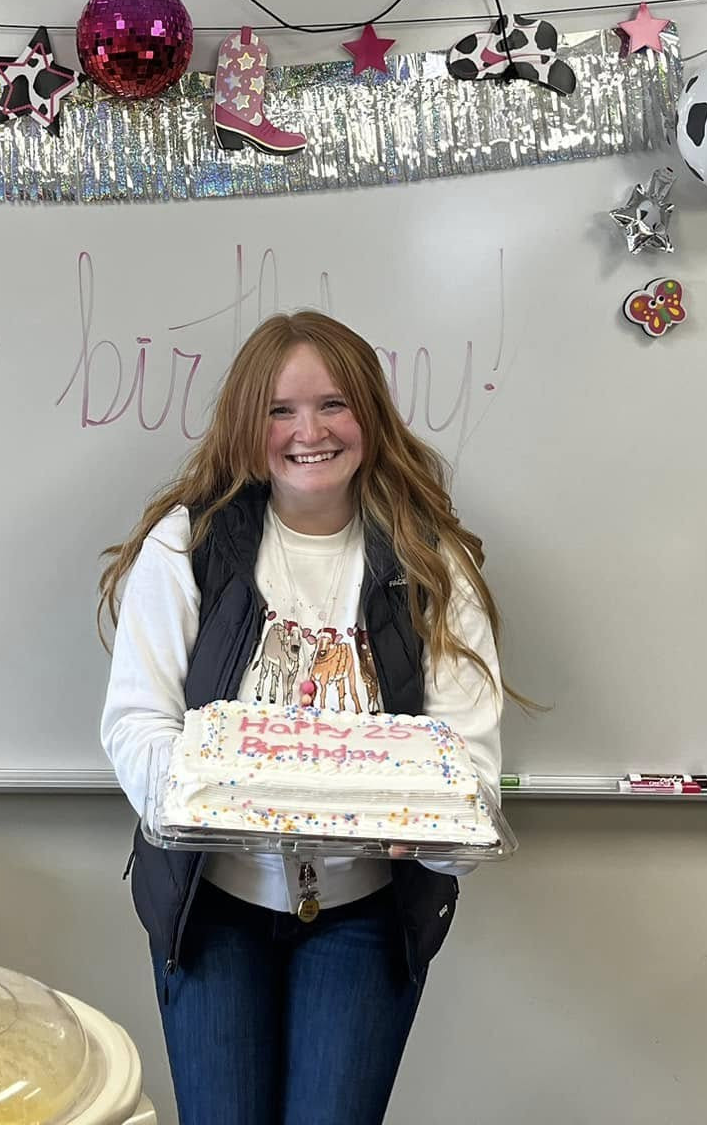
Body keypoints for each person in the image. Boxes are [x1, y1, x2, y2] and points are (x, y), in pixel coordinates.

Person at [98, 310, 510, 1125]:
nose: (308, 432)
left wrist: (434, 829)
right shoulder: (190, 545)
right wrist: (209, 804)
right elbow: (137, 721)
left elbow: (470, 765)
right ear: (244, 426)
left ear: (370, 414)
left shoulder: (431, 560)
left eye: (333, 405)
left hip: (367, 916)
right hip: (213, 908)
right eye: (279, 410)